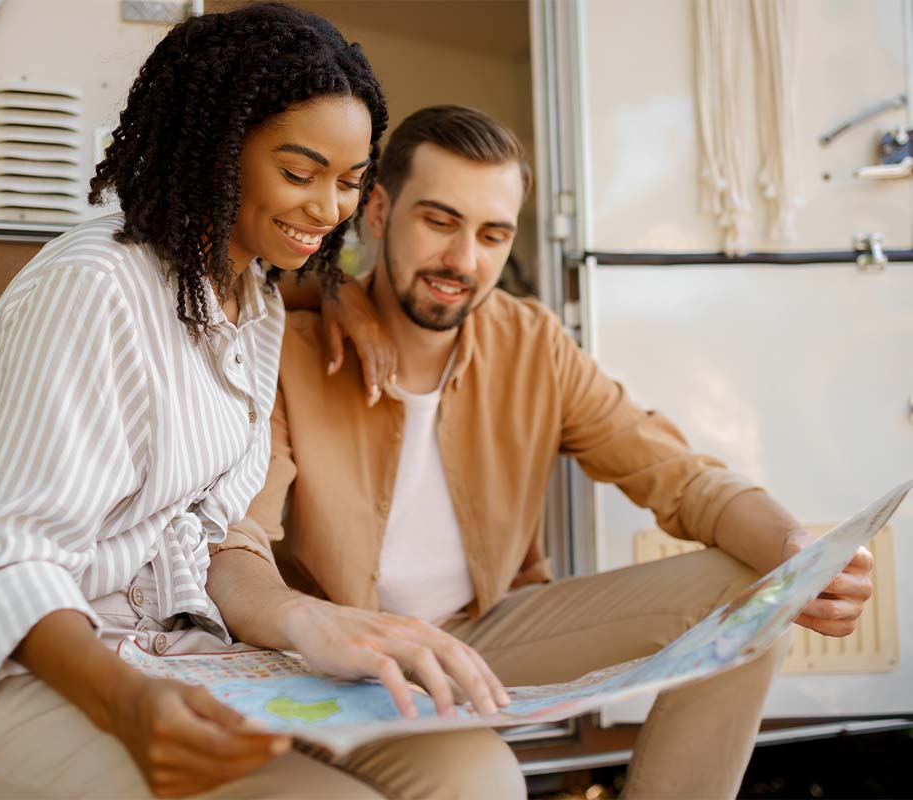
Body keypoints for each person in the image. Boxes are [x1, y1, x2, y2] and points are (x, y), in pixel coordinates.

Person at [207, 105, 876, 798]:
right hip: (340, 656)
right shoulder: (292, 348)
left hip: (485, 635)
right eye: (439, 221)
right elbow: (237, 537)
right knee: (485, 784)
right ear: (377, 209)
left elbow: (680, 478)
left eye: (493, 234)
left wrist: (798, 553)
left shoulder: (532, 343)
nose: (463, 261)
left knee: (758, 591)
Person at [0, 5, 440, 798]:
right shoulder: (93, 287)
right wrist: (129, 706)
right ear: (218, 148)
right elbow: (11, 565)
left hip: (156, 644)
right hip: (3, 661)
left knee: (465, 767)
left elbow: (206, 536)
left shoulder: (258, 302)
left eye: (349, 182)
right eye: (300, 172)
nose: (329, 210)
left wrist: (307, 621)